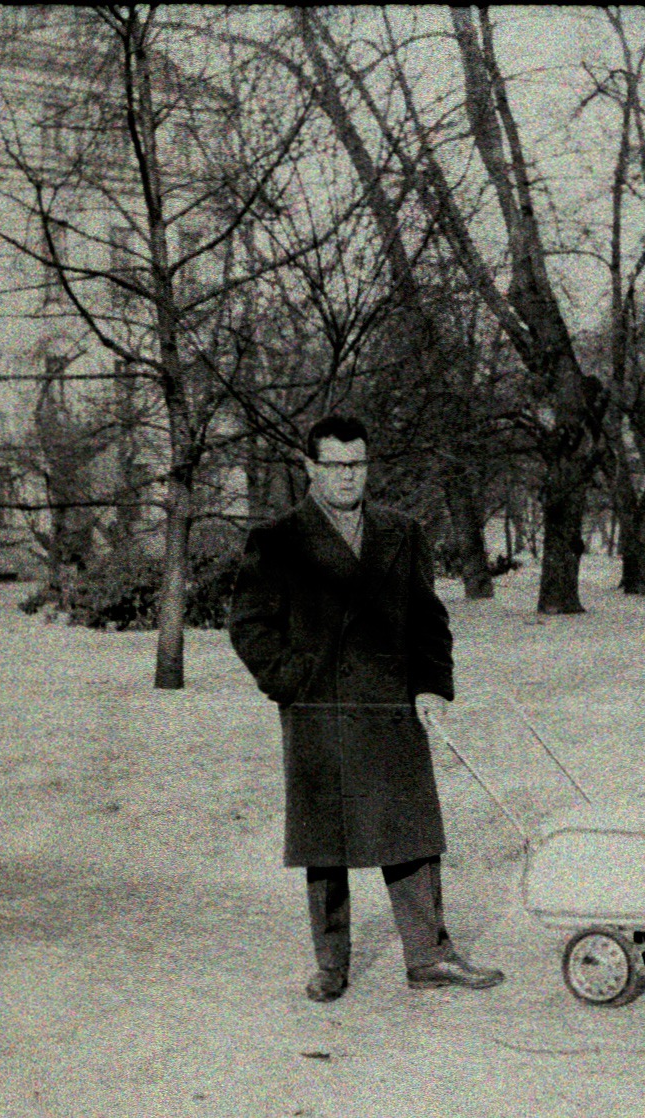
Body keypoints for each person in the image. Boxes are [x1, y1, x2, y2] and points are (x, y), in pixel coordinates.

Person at [227, 415, 505, 1002]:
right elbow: (250, 626)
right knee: (325, 845)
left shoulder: (400, 532)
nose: (348, 476)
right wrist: (293, 683)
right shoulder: (277, 540)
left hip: (389, 709)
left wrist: (431, 684)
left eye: (357, 463)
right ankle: (331, 963)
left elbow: (430, 619)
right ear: (310, 467)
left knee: (411, 833)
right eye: (335, 464)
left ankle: (429, 955)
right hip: (319, 710)